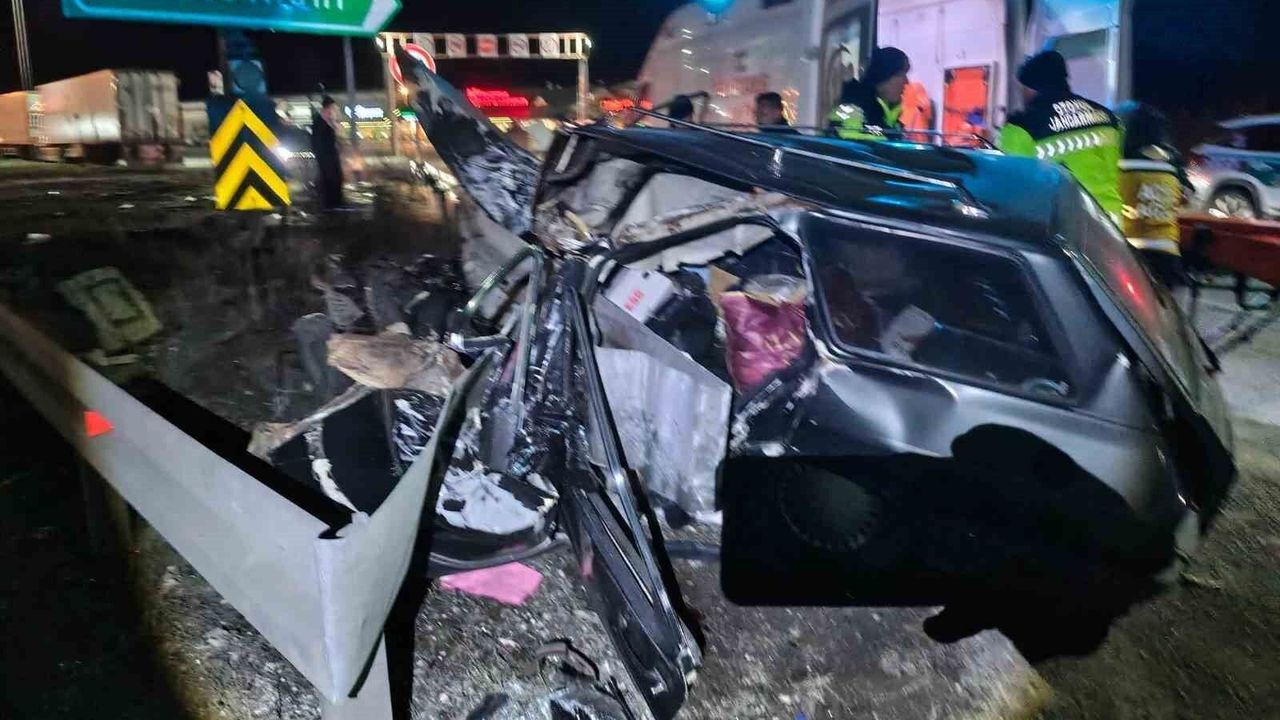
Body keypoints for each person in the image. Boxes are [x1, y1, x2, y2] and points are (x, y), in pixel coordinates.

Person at [1000, 51, 1124, 221]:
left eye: (1022, 88)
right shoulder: (1108, 117)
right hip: (1110, 223)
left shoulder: (1022, 126)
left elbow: (1012, 185)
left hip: (1063, 224)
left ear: (1031, 87)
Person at [1116, 101, 1188, 290]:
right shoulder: (1172, 163)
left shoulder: (1121, 161)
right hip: (1167, 254)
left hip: (1130, 250)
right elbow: (1185, 196)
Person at [828, 47, 911, 141]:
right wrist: (887, 141)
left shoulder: (893, 116)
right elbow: (846, 139)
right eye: (900, 75)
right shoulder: (852, 107)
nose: (906, 82)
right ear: (883, 76)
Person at [310, 96, 344, 209]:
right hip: (325, 157)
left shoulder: (329, 121)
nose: (334, 111)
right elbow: (316, 141)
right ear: (327, 108)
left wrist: (334, 123)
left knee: (337, 177)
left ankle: (336, 202)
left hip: (332, 155)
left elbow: (337, 135)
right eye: (333, 108)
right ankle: (330, 204)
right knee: (329, 179)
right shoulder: (319, 122)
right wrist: (321, 156)